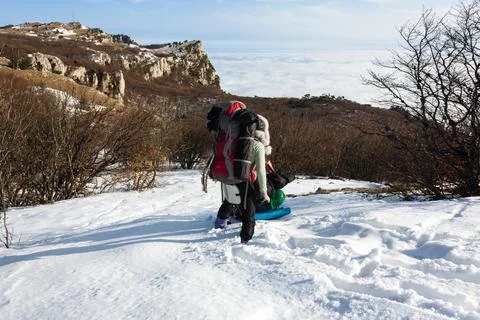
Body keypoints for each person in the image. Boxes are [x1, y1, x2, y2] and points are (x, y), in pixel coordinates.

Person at [214, 112, 272, 244]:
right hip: (245, 179)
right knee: (249, 210)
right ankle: (246, 239)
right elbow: (261, 171)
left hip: (228, 175)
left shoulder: (233, 139)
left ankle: (219, 222)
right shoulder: (258, 145)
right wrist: (263, 191)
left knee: (230, 199)